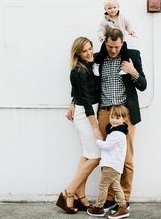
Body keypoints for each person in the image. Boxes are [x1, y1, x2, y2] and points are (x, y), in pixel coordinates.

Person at [67, 28, 147, 215]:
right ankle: (110, 198)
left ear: (122, 42)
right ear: (105, 44)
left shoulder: (132, 56)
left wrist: (133, 72)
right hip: (103, 112)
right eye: (110, 46)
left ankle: (124, 200)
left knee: (125, 158)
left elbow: (143, 85)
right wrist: (73, 102)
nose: (113, 50)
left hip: (124, 113)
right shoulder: (97, 57)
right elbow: (81, 82)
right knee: (107, 157)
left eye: (116, 46)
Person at [56, 37, 103, 214]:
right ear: (78, 54)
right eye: (84, 51)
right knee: (96, 157)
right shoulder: (78, 71)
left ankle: (81, 196)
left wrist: (72, 101)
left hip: (88, 110)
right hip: (86, 114)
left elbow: (77, 91)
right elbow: (86, 100)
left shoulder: (90, 63)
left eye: (90, 48)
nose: (89, 53)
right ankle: (68, 192)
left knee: (87, 154)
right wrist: (96, 127)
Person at [87, 105, 130, 219]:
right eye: (112, 116)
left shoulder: (117, 134)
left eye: (118, 117)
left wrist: (98, 141)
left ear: (124, 119)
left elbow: (107, 146)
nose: (114, 120)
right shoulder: (115, 131)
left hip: (111, 165)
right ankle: (123, 207)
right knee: (116, 186)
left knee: (103, 186)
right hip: (114, 165)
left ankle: (98, 207)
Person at [94, 0, 136, 76]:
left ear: (118, 7)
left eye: (114, 7)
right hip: (109, 40)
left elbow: (128, 25)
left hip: (120, 41)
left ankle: (124, 67)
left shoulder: (122, 18)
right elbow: (100, 29)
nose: (112, 10)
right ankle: (96, 64)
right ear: (105, 9)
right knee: (102, 51)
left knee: (125, 52)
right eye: (109, 8)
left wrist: (131, 31)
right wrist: (101, 36)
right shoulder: (105, 20)